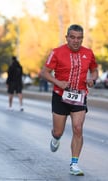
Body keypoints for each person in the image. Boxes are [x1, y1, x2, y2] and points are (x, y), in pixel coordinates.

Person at [41, 24, 98, 176]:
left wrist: (92, 79)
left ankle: (74, 164)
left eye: (79, 38)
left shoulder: (88, 53)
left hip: (79, 96)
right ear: (67, 37)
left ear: (82, 39)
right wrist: (58, 83)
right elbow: (44, 72)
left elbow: (94, 70)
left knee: (78, 128)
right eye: (72, 37)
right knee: (58, 131)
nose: (75, 41)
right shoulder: (57, 52)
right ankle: (55, 138)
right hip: (60, 96)